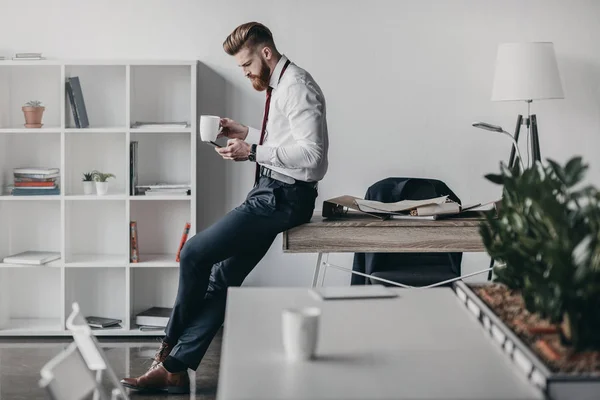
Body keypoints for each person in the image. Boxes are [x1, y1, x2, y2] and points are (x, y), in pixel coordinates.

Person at [120, 21, 329, 394]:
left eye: (247, 64)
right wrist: (246, 133)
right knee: (221, 282)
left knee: (195, 253)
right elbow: (286, 140)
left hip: (284, 197)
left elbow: (313, 159)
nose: (246, 72)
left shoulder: (298, 86)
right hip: (271, 189)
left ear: (266, 53)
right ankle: (174, 370)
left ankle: (166, 351)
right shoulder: (281, 85)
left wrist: (253, 152)